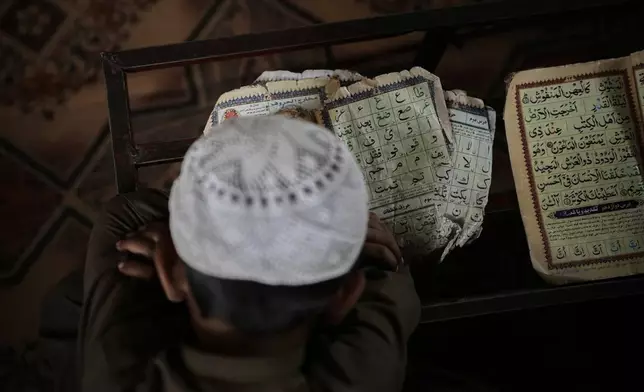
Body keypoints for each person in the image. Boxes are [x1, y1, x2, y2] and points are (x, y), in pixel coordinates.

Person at [79, 116, 421, 391]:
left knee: (70, 300)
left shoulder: (118, 370)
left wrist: (193, 231)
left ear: (170, 272)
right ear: (344, 295)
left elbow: (123, 214)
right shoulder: (365, 371)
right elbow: (389, 284)